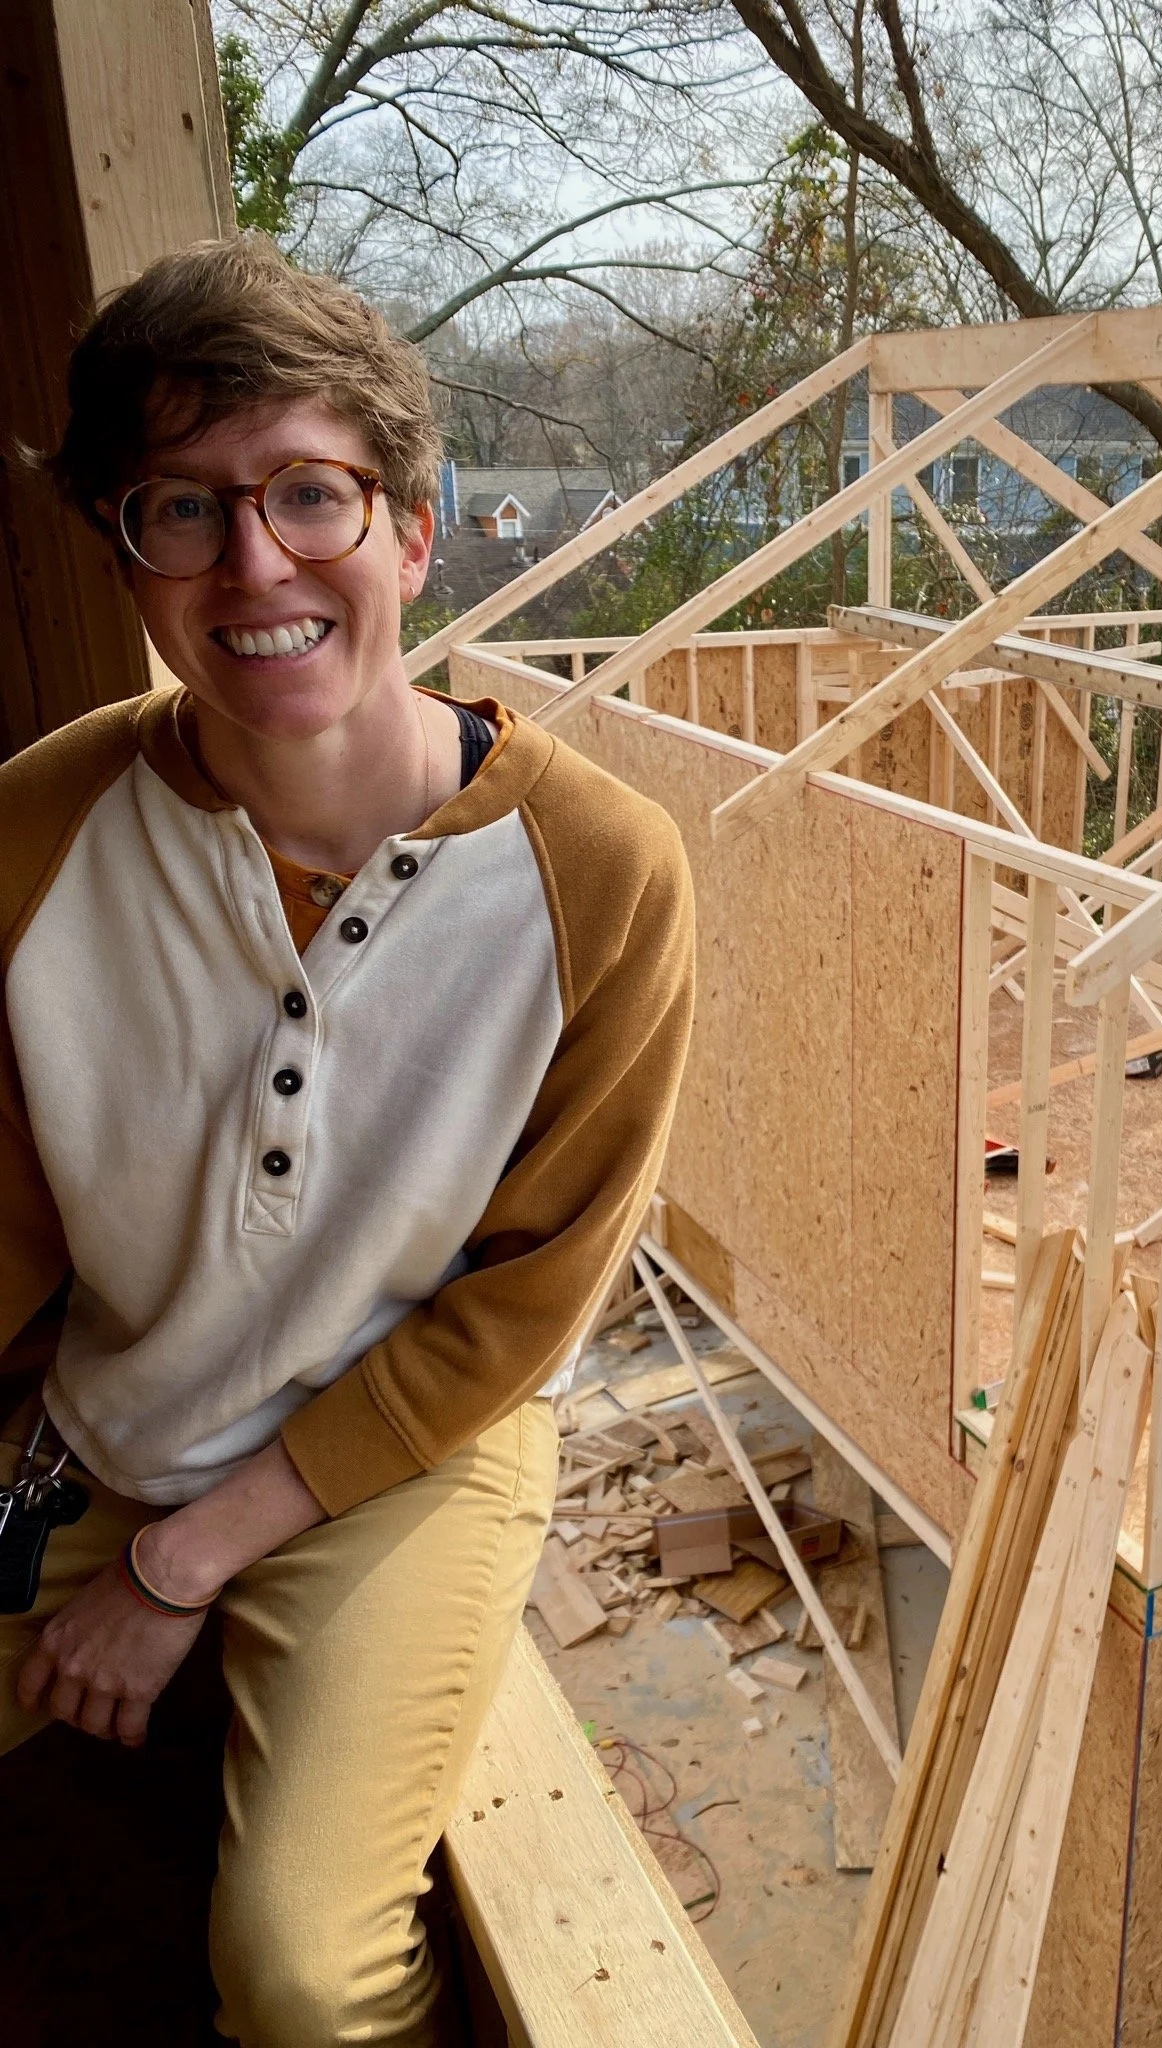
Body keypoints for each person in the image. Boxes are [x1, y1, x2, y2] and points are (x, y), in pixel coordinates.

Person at [0, 234, 694, 2047]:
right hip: (111, 1418)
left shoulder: (603, 877)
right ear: (126, 557)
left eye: (309, 493)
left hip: (410, 1449)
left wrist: (179, 1567)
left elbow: (523, 1304)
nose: (255, 565)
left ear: (412, 529)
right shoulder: (38, 832)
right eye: (182, 508)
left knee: (306, 1975)